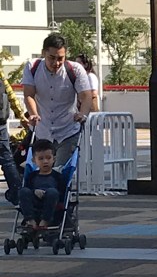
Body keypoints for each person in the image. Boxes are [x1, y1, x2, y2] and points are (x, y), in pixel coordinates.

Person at [22, 33, 94, 167]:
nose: (56, 63)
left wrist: (82, 114)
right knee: (42, 171)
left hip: (67, 130)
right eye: (52, 58)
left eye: (61, 58)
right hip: (42, 130)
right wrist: (33, 114)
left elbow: (86, 96)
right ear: (43, 53)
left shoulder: (75, 70)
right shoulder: (32, 67)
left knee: (59, 171)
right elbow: (29, 94)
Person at [18, 139, 63, 231]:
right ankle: (30, 220)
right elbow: (27, 189)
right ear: (34, 161)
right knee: (23, 191)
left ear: (54, 159)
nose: (45, 161)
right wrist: (34, 191)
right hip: (34, 203)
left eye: (48, 158)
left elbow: (62, 192)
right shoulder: (32, 176)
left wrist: (48, 193)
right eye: (41, 159)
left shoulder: (58, 176)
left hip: (51, 203)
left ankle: (45, 221)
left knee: (53, 192)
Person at [0, 71, 22, 203]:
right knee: (7, 160)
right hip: (1, 123)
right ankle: (17, 194)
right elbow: (10, 94)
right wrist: (21, 115)